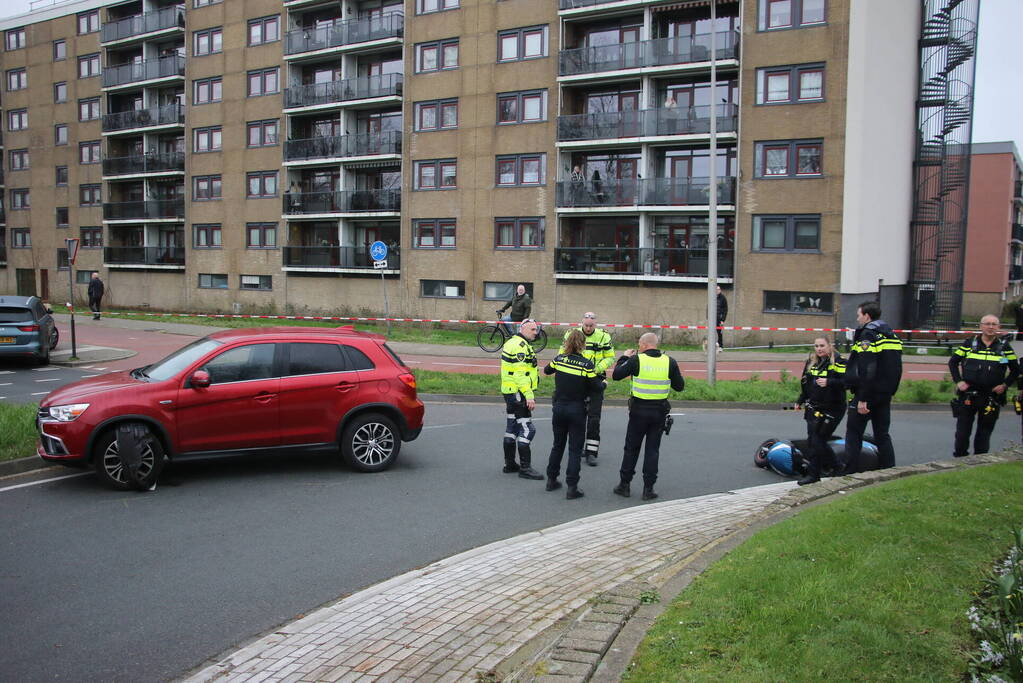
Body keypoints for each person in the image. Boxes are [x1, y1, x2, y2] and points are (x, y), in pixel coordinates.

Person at [612, 332, 685, 500]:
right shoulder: (669, 362)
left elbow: (616, 375)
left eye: (639, 344)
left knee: (631, 448)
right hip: (659, 412)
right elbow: (679, 386)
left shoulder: (637, 360)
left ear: (644, 344)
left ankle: (625, 485)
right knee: (652, 450)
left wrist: (623, 358)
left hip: (638, 411)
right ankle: (648, 489)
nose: (638, 347)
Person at [841, 301, 902, 473]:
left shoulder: (868, 334)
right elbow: (896, 367)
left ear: (867, 316)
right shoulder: (891, 335)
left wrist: (863, 398)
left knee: (854, 433)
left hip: (868, 394)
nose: (857, 318)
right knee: (882, 435)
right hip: (885, 394)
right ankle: (889, 470)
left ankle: (849, 472)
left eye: (859, 315)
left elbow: (867, 368)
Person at [544, 330, 606, 499]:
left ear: (566, 343)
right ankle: (572, 487)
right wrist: (603, 383)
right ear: (583, 345)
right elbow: (597, 387)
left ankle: (551, 480)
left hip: (559, 407)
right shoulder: (586, 365)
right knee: (574, 450)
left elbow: (547, 370)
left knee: (557, 445)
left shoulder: (559, 359)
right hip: (577, 409)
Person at [948, 315, 1018, 457]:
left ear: (998, 327)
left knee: (984, 432)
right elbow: (953, 362)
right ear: (981, 326)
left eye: (994, 324)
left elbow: (1015, 369)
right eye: (987, 324)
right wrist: (958, 381)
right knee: (962, 432)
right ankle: (959, 461)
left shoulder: (1004, 346)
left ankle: (980, 461)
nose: (990, 327)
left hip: (991, 397)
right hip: (968, 396)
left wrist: (1005, 385)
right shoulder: (969, 344)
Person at [559, 311, 615, 467]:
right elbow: (562, 353)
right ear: (581, 323)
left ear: (595, 324)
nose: (588, 328)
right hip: (578, 380)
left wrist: (595, 369)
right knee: (578, 415)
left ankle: (591, 452)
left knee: (594, 418)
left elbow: (610, 357)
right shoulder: (572, 334)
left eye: (591, 325)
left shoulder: (603, 336)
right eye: (586, 325)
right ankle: (577, 447)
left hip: (596, 379)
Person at [793, 337, 846, 485]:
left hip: (833, 407)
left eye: (822, 345)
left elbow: (848, 382)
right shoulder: (811, 362)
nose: (819, 349)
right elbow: (806, 385)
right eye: (816, 346)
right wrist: (800, 400)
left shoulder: (839, 361)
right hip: (814, 407)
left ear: (830, 346)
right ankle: (816, 473)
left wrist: (830, 382)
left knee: (818, 440)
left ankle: (836, 466)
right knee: (812, 441)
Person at [500, 319, 543, 480]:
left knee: (512, 426)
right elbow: (521, 374)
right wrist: (529, 395)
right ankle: (525, 468)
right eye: (532, 329)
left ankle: (509, 464)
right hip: (518, 392)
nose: (535, 332)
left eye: (536, 329)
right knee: (527, 429)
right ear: (522, 329)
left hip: (509, 391)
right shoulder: (520, 347)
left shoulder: (513, 342)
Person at [716, 285, 728, 350]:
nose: (717, 291)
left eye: (718, 289)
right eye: (716, 289)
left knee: (719, 333)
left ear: (720, 290)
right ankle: (713, 346)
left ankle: (720, 346)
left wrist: (722, 320)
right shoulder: (712, 297)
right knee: (712, 333)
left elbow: (725, 310)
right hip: (712, 319)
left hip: (719, 319)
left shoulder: (723, 298)